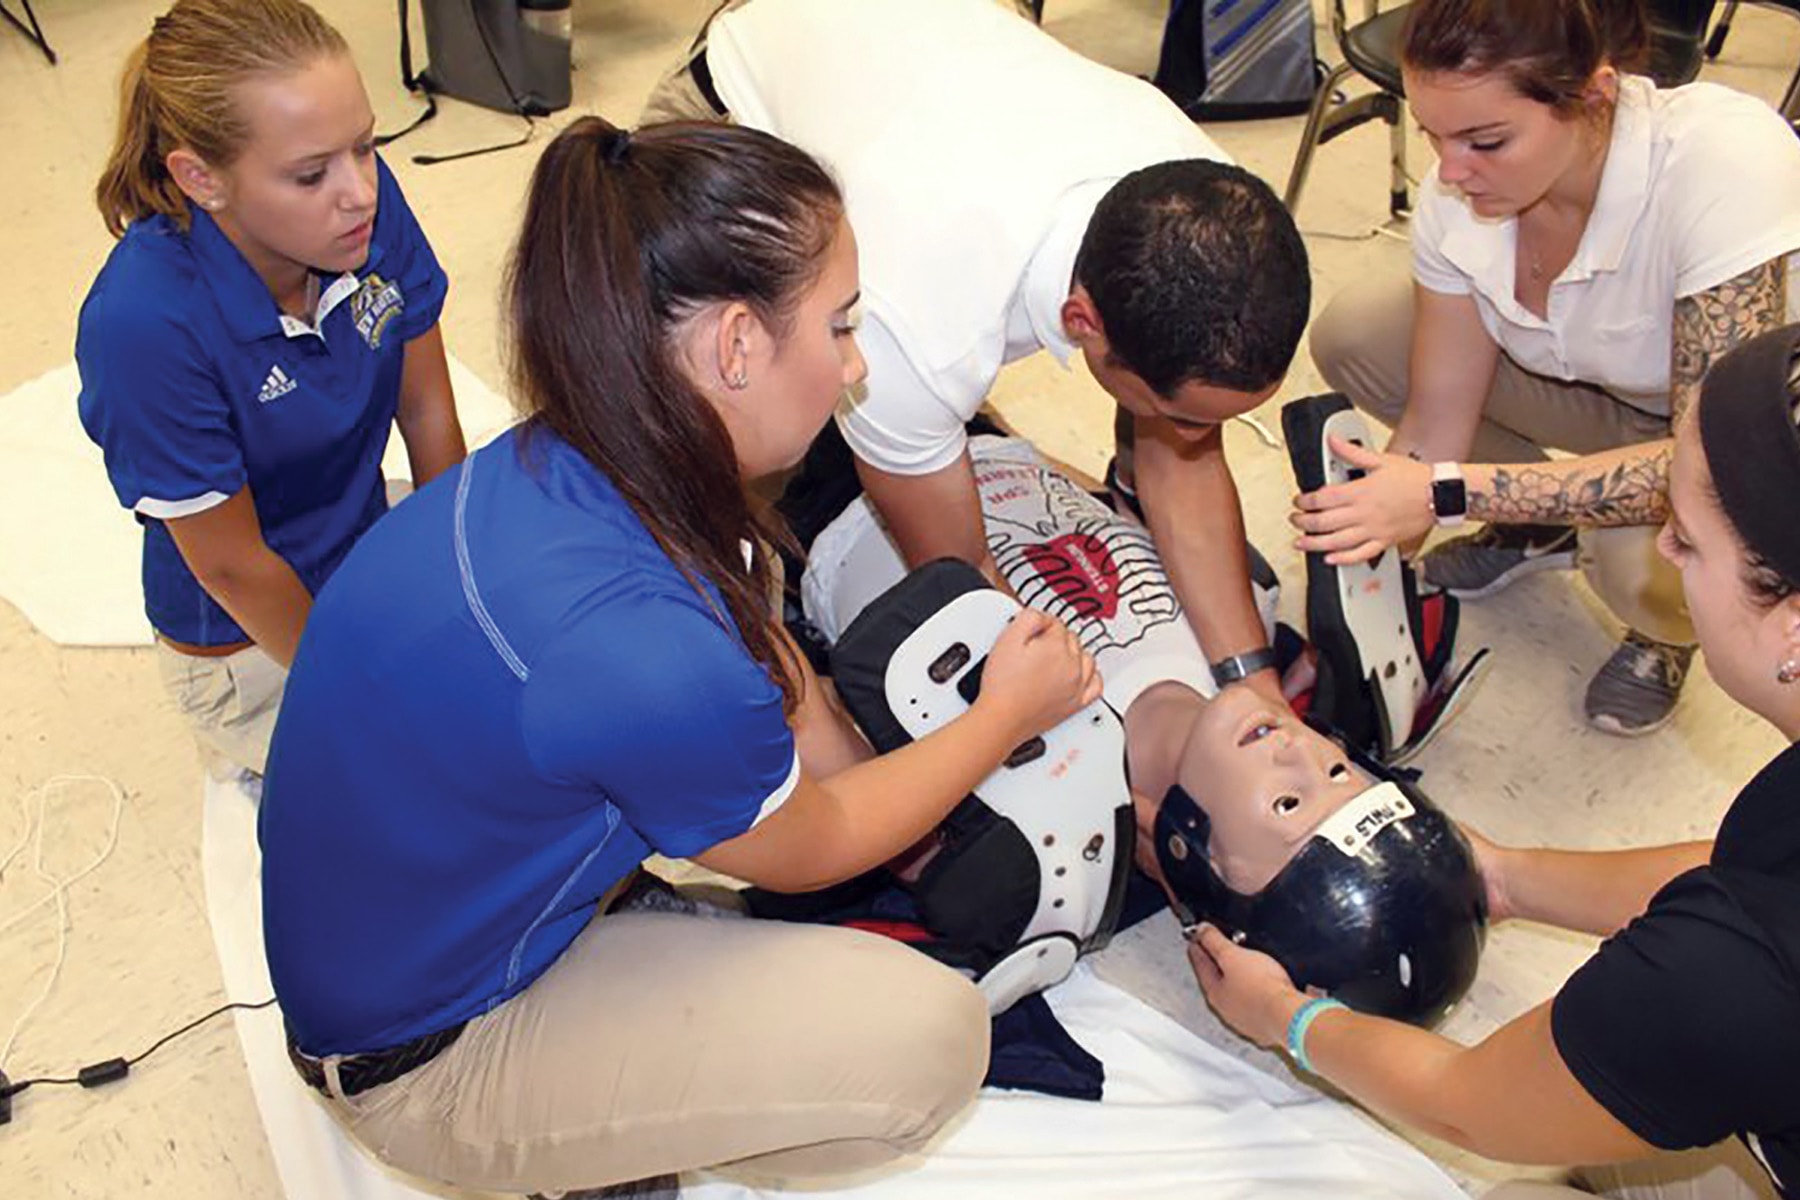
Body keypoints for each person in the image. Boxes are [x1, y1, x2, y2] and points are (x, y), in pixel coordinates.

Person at [258, 117, 1100, 1197]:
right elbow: (814, 841)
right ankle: (587, 1146)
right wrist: (1004, 716)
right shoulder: (643, 646)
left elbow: (789, 710)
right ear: (736, 347)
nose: (853, 365)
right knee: (927, 1047)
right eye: (840, 327)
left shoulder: (580, 457)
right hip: (420, 1062)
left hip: (401, 937)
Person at [1195, 325, 1800, 1200]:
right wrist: (1507, 875)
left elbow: (1468, 1106)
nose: (1661, 546)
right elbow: (1748, 865)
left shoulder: (1729, 977)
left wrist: (1289, 1021)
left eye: (1690, 541)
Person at [645, 0, 1312, 707]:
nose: (1195, 435)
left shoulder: (1215, 206)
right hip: (737, 104)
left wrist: (1251, 681)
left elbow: (1185, 457)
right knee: (721, 451)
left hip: (920, 53)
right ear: (1084, 321)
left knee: (931, 428)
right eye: (1180, 416)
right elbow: (961, 578)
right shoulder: (916, 319)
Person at [803, 433, 1486, 1024]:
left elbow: (814, 743)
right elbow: (1133, 477)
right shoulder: (1239, 613)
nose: (1299, 756)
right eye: (1339, 769)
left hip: (824, 500)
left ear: (1207, 870)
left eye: (1289, 804)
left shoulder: (1013, 803)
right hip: (986, 444)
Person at [1300, 0, 1800, 736]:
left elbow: (1719, 472)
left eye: (1487, 140)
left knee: (1644, 568)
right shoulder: (1459, 188)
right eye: (1432, 134)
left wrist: (1444, 495)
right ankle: (1535, 527)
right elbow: (1436, 422)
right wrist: (1361, 599)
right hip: (1604, 388)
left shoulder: (1722, 159)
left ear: (1594, 95)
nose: (1451, 171)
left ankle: (1663, 635)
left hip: (1738, 444)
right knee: (1360, 334)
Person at [75, 0, 465, 778]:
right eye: (311, 173)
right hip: (253, 643)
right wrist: (362, 691)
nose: (359, 191)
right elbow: (233, 567)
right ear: (200, 178)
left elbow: (425, 411)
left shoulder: (356, 206)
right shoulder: (144, 323)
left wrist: (459, 584)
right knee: (433, 794)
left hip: (357, 550)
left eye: (366, 145)